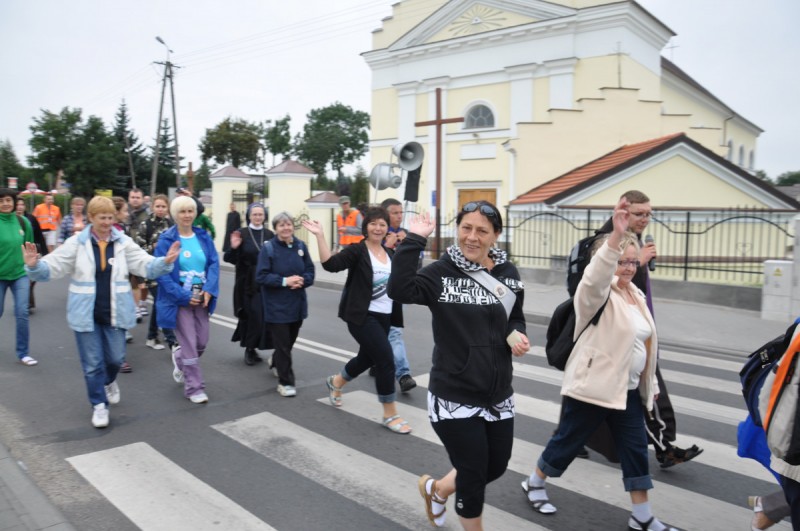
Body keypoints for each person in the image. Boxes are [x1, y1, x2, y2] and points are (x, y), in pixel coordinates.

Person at [523, 197, 677, 531]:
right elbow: (595, 277)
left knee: (635, 451)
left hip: (627, 391)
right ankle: (534, 482)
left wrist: (649, 387)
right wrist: (615, 238)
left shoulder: (635, 296)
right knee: (567, 442)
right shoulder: (595, 296)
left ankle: (642, 516)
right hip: (593, 389)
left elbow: (644, 347)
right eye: (621, 262)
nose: (628, 268)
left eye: (633, 262)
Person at [388, 201, 529, 530]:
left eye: (482, 230)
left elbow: (515, 316)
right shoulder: (441, 273)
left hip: (498, 394)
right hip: (454, 394)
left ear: (495, 235)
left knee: (496, 466)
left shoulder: (508, 273)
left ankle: (436, 490)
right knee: (473, 475)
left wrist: (517, 334)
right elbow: (399, 290)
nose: (472, 237)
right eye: (466, 228)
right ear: (457, 230)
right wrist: (415, 239)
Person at [22, 196, 179, 428]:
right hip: (85, 314)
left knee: (115, 359)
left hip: (115, 312)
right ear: (91, 218)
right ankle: (98, 405)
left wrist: (164, 262)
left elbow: (144, 263)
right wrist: (34, 265)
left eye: (110, 217)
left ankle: (108, 381)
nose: (106, 222)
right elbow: (54, 265)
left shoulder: (123, 242)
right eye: (102, 218)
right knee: (92, 363)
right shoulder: (77, 243)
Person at [591, 190, 702, 468]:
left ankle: (661, 448)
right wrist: (636, 263)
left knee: (646, 394)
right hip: (620, 334)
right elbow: (599, 281)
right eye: (639, 214)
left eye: (649, 214)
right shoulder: (607, 241)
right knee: (640, 396)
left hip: (640, 330)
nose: (645, 219)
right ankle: (660, 449)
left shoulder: (637, 241)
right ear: (623, 213)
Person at [303, 207, 412, 434]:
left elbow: (405, 280)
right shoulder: (357, 251)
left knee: (366, 358)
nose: (378, 228)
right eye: (373, 223)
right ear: (366, 227)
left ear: (387, 228)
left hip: (385, 316)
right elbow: (330, 265)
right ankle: (390, 413)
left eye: (382, 224)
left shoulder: (390, 254)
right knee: (385, 359)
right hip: (361, 315)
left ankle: (336, 382)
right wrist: (320, 236)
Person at [155, 195, 219, 404]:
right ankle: (194, 388)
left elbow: (213, 263)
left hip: (201, 296)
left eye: (190, 211)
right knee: (190, 342)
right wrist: (183, 296)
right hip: (179, 299)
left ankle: (179, 357)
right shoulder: (166, 239)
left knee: (201, 341)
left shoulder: (203, 236)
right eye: (182, 211)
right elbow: (161, 272)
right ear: (175, 214)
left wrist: (209, 288)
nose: (187, 215)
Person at [255, 211, 315, 397]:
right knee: (282, 345)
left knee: (288, 343)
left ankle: (276, 361)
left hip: (297, 305)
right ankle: (286, 382)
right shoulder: (269, 249)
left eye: (288, 224)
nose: (286, 228)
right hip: (276, 307)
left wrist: (303, 281)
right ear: (275, 229)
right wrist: (284, 281)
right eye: (281, 225)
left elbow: (310, 271)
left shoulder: (301, 246)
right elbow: (261, 276)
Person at [223, 203, 275, 366]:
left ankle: (253, 347)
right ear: (249, 216)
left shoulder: (270, 234)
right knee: (252, 315)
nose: (258, 217)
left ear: (264, 216)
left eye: (260, 214)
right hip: (246, 282)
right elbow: (228, 258)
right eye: (255, 214)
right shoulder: (241, 233)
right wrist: (233, 248)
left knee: (262, 316)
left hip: (265, 282)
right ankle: (249, 348)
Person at [380, 197, 416, 392]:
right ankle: (374, 360)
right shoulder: (376, 234)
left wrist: (407, 244)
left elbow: (416, 263)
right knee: (377, 334)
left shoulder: (405, 234)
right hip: (375, 296)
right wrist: (387, 246)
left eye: (401, 212)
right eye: (395, 212)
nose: (399, 216)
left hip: (394, 294)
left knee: (394, 333)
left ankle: (403, 375)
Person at [134, 194, 177, 351]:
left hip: (167, 271)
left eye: (163, 206)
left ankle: (152, 336)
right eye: (158, 206)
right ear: (152, 207)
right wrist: (153, 246)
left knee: (161, 303)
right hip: (151, 270)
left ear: (168, 208)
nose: (160, 209)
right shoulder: (146, 225)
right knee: (162, 301)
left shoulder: (171, 224)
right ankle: (172, 341)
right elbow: (138, 250)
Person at [0, 188, 36, 366]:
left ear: (14, 202)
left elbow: (30, 248)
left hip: (20, 275)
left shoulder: (23, 222)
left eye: (8, 200)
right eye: (1, 201)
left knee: (22, 312)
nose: (5, 203)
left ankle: (23, 353)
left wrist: (32, 268)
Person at [16, 198, 47, 314]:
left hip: (32, 253)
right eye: (17, 204)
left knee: (31, 280)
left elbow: (39, 235)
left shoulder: (31, 219)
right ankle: (25, 303)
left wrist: (45, 253)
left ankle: (26, 303)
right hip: (18, 255)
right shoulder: (11, 220)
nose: (20, 207)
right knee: (24, 281)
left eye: (22, 204)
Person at [128, 188, 151, 322]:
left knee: (144, 281)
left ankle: (142, 302)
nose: (135, 200)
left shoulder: (147, 214)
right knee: (133, 281)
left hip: (142, 251)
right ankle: (136, 307)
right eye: (133, 197)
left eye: (137, 197)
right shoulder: (126, 213)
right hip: (127, 252)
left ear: (142, 199)